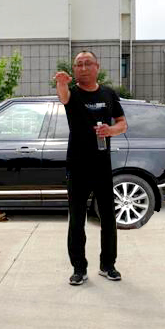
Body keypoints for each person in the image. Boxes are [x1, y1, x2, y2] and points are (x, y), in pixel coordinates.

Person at [54, 51, 128, 286]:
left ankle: (108, 265)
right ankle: (79, 268)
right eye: (78, 64)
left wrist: (110, 130)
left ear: (97, 66)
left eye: (87, 63)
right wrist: (61, 82)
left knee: (108, 217)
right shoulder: (72, 93)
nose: (83, 68)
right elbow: (63, 97)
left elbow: (123, 124)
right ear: (74, 69)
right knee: (77, 219)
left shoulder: (108, 94)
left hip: (102, 166)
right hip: (77, 166)